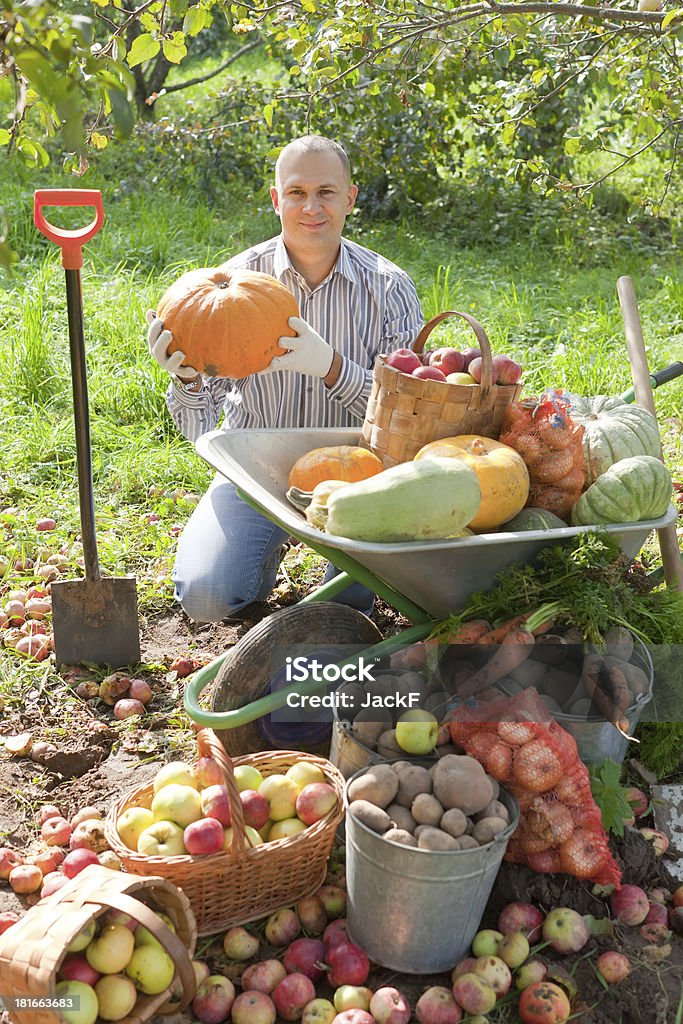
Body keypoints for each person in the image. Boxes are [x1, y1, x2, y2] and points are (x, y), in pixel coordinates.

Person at [146, 134, 424, 623]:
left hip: (356, 473)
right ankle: (265, 548)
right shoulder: (229, 283)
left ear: (351, 198)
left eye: (326, 192)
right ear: (276, 199)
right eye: (296, 192)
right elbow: (201, 432)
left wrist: (331, 367)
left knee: (344, 608)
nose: (311, 207)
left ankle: (334, 575)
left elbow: (407, 418)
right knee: (207, 597)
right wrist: (188, 382)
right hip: (255, 469)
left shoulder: (389, 287)